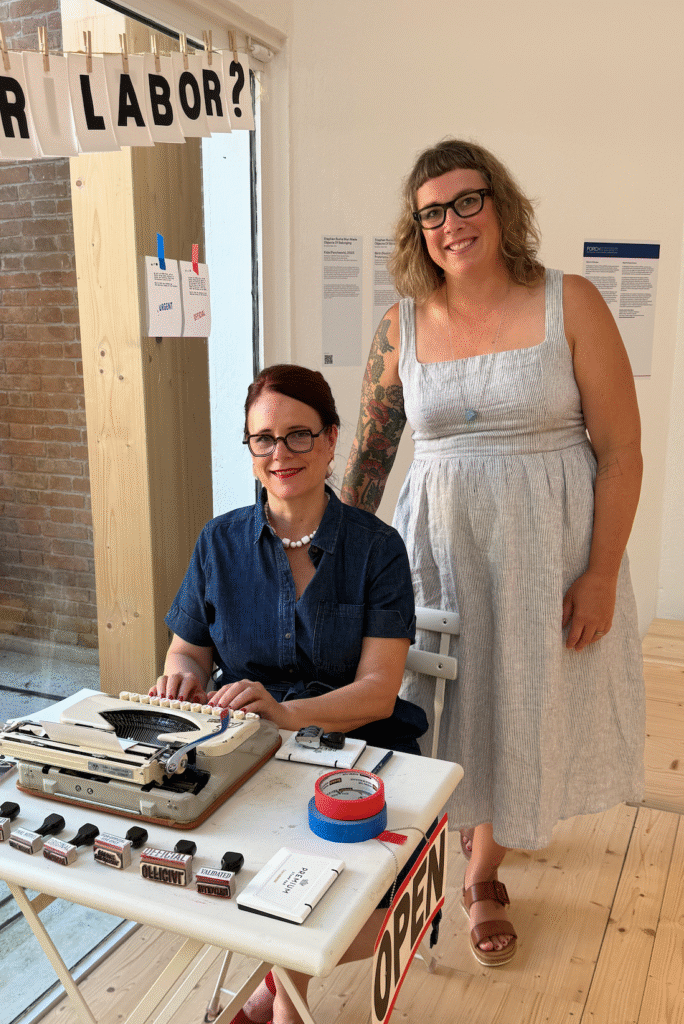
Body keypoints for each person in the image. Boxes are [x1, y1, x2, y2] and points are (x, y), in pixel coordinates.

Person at [341, 139, 645, 968]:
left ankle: (481, 873)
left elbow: (620, 450)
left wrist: (603, 573)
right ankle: (462, 838)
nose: (452, 222)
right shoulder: (398, 325)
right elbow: (369, 456)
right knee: (448, 700)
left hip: (550, 548)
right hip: (438, 548)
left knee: (522, 697)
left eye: (466, 200)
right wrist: (326, 558)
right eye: (431, 211)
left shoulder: (569, 302)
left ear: (500, 204)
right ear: (418, 229)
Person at [150, 363, 427, 1024]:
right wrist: (184, 673)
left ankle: (274, 996)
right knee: (202, 871)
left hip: (362, 754)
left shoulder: (378, 550)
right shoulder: (218, 542)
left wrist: (287, 713)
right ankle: (282, 999)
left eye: (299, 436)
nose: (281, 454)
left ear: (332, 441)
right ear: (249, 449)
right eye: (264, 439)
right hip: (247, 757)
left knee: (365, 904)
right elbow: (188, 648)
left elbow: (377, 693)